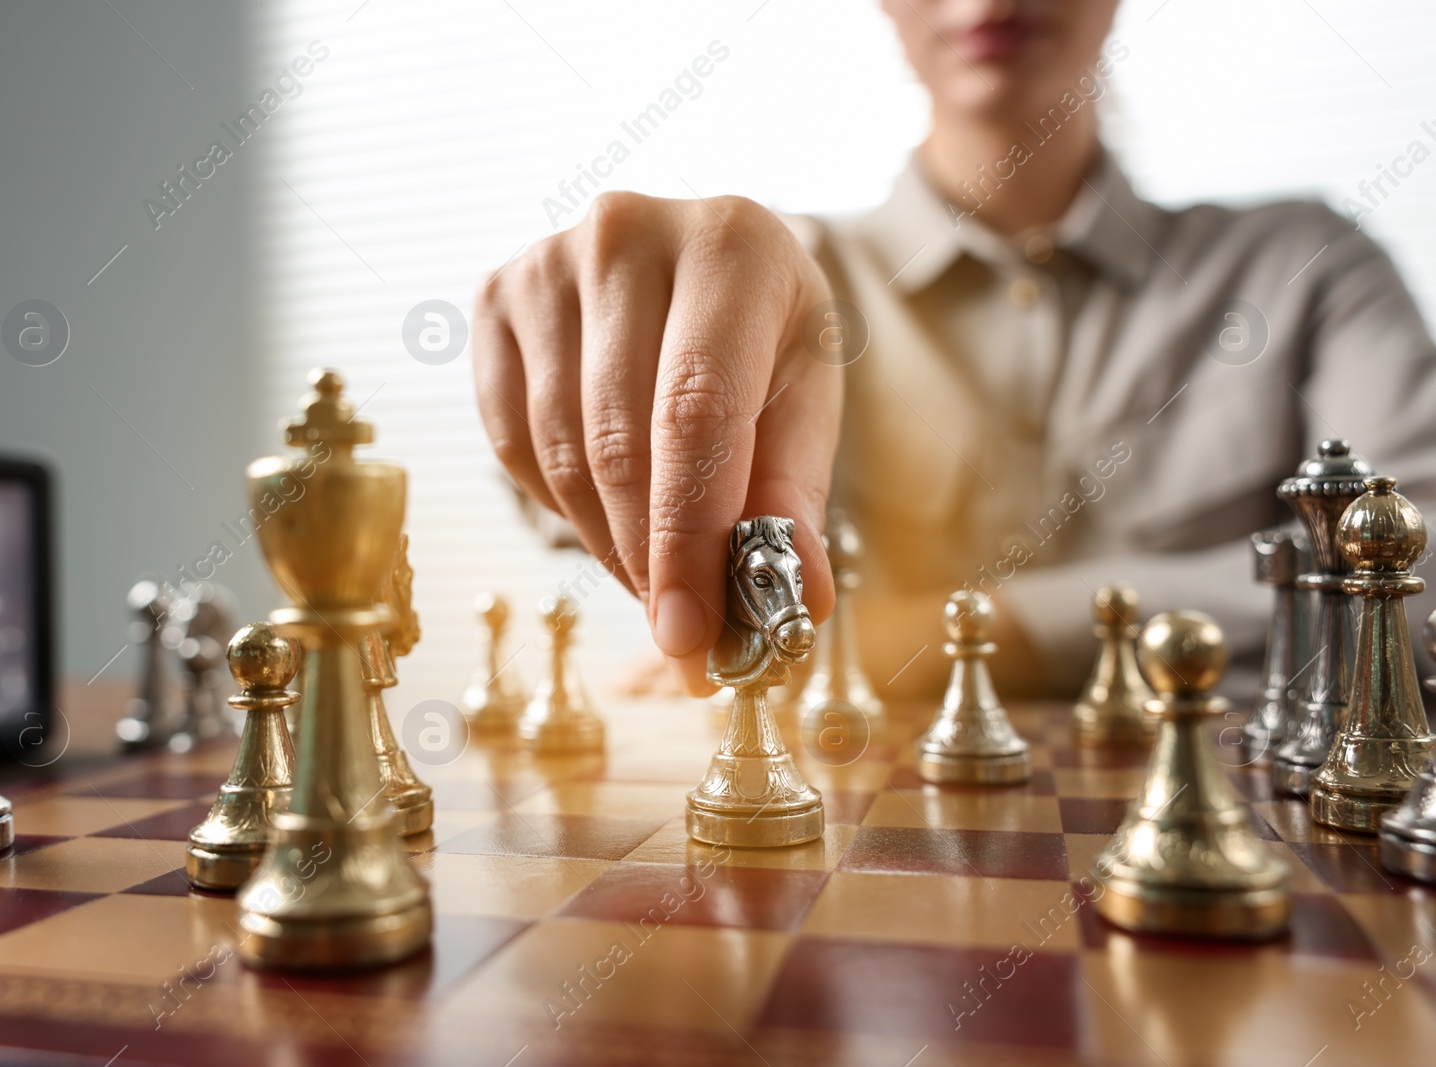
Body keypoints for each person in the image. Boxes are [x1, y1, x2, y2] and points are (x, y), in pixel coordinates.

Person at [472, 0, 1436, 699]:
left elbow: (1420, 580)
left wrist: (955, 635)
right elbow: (572, 489)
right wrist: (595, 328)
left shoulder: (1308, 266)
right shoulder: (789, 283)